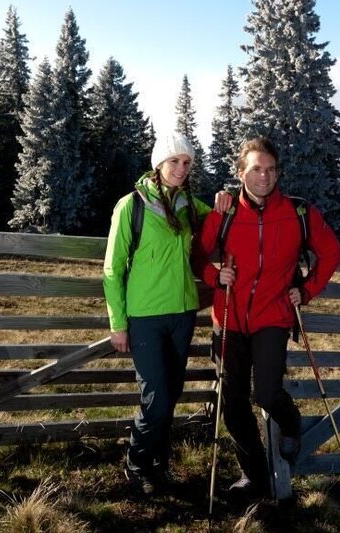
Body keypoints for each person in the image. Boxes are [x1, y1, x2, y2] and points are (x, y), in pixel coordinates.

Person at [192, 137, 340, 497]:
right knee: (233, 403)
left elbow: (331, 252)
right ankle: (255, 475)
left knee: (268, 393)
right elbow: (196, 255)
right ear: (241, 172)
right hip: (228, 318)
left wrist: (305, 290)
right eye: (257, 168)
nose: (265, 176)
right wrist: (215, 277)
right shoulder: (225, 212)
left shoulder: (298, 213)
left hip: (272, 318)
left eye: (271, 169)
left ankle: (292, 424)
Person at [102, 131, 212, 495]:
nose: (181, 168)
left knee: (173, 391)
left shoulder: (189, 205)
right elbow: (113, 269)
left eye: (187, 162)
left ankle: (158, 466)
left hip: (182, 313)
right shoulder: (130, 206)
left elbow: (224, 225)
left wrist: (229, 202)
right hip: (145, 317)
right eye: (174, 161)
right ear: (158, 164)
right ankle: (137, 466)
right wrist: (118, 323)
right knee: (157, 396)